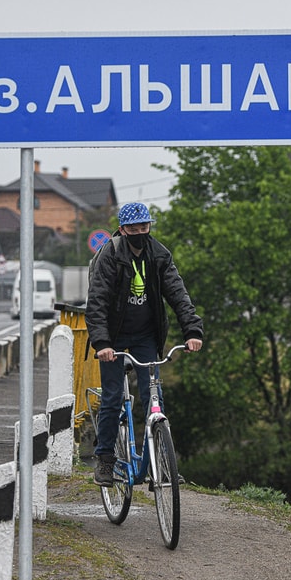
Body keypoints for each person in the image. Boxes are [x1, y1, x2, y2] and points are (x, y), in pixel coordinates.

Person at [85, 202, 204, 486]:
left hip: (145, 336)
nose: (140, 232)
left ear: (149, 227)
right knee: (113, 397)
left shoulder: (159, 254)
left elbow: (178, 294)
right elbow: (97, 302)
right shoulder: (110, 256)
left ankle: (161, 465)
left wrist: (192, 331)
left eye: (144, 227)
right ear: (123, 230)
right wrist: (101, 342)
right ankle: (104, 459)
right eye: (134, 229)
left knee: (154, 398)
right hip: (113, 338)